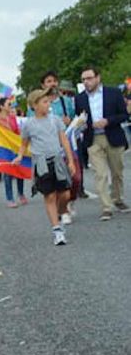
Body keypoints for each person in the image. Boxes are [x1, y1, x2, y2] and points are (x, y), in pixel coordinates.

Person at [16, 88, 77, 244]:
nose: (48, 104)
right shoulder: (28, 124)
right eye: (44, 102)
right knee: (49, 196)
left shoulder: (55, 120)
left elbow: (64, 140)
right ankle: (57, 231)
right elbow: (24, 143)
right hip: (41, 163)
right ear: (34, 105)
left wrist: (70, 160)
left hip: (57, 160)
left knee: (65, 194)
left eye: (48, 101)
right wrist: (20, 156)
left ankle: (61, 211)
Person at [74, 66, 129, 220]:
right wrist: (82, 124)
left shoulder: (113, 93)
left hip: (113, 135)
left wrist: (108, 121)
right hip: (93, 139)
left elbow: (124, 115)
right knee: (100, 174)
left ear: (98, 78)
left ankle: (117, 199)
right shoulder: (80, 98)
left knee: (117, 172)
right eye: (83, 79)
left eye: (89, 78)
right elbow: (79, 118)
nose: (86, 82)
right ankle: (106, 207)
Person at [0, 97, 28, 208]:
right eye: (8, 104)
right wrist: (0, 135)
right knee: (7, 173)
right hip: (3, 149)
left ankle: (21, 193)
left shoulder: (12, 118)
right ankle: (10, 198)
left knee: (19, 169)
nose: (11, 106)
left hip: (14, 148)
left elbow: (17, 131)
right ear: (1, 106)